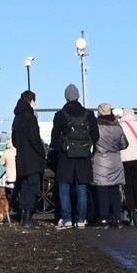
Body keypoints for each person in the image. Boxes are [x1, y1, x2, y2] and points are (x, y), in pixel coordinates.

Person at [50, 84, 95, 228]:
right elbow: (96, 135)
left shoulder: (60, 115)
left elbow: (54, 138)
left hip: (66, 157)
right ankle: (81, 219)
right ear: (78, 96)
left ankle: (66, 219)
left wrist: (61, 150)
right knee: (82, 187)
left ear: (66, 97)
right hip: (84, 157)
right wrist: (88, 150)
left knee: (64, 188)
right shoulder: (89, 114)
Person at [9, 91, 46, 231]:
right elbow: (35, 139)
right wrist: (42, 152)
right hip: (33, 159)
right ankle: (28, 218)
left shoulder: (17, 117)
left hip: (22, 158)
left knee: (24, 187)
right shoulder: (30, 117)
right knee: (33, 188)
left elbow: (14, 141)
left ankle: (23, 217)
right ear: (31, 100)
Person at [90, 104, 128, 227]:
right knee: (114, 192)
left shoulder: (96, 127)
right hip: (115, 162)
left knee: (102, 191)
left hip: (100, 162)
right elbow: (124, 145)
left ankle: (103, 218)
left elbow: (91, 142)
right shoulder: (118, 127)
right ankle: (117, 218)